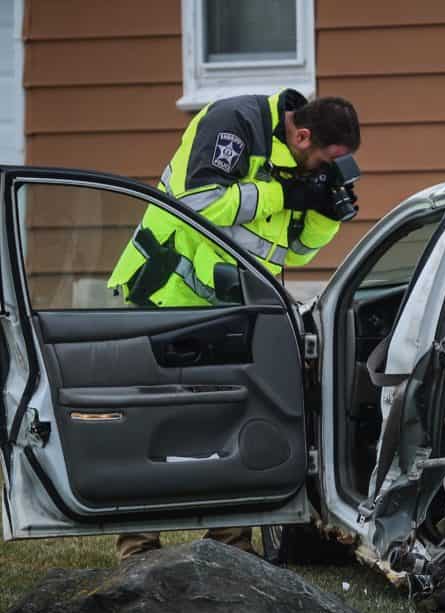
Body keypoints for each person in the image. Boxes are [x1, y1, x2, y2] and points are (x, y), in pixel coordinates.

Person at [107, 88, 360, 560]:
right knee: (150, 427)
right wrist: (284, 191)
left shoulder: (299, 162)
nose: (325, 170)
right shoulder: (234, 122)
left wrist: (326, 214)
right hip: (163, 297)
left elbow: (293, 251)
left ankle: (232, 550)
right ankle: (138, 551)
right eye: (326, 160)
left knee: (233, 425)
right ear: (302, 134)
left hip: (239, 310)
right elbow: (198, 201)